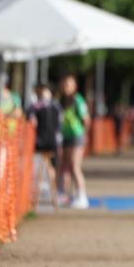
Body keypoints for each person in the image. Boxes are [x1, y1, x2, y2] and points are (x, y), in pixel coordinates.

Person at [59, 73, 91, 209]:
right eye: (64, 84)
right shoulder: (61, 100)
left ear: (74, 86)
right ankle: (64, 195)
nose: (65, 87)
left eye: (68, 85)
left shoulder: (78, 100)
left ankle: (82, 196)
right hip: (65, 136)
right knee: (64, 167)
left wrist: (84, 134)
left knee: (75, 166)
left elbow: (86, 119)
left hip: (77, 136)